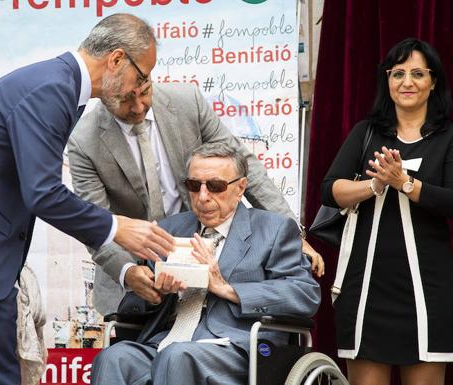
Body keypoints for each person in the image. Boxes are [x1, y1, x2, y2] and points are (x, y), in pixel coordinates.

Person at [0, 14, 175, 385]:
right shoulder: (51, 89)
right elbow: (42, 193)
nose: (138, 90)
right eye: (141, 76)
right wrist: (114, 227)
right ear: (117, 59)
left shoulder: (59, 86)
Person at [67, 82, 325, 315]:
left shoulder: (187, 102)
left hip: (207, 271)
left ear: (147, 74)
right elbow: (95, 223)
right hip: (136, 275)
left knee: (184, 353)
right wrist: (129, 272)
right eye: (125, 99)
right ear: (104, 92)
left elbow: (245, 167)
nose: (138, 106)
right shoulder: (83, 140)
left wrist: (295, 237)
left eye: (144, 93)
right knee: (122, 358)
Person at [92, 142, 321, 384]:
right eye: (194, 185)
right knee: (113, 358)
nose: (203, 197)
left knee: (177, 356)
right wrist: (153, 291)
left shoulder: (273, 229)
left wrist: (226, 288)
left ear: (241, 187)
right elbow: (133, 303)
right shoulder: (170, 229)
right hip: (166, 339)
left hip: (235, 346)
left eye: (215, 186)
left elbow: (304, 294)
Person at [321, 38, 453, 385]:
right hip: (366, 290)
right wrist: (374, 186)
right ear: (387, 80)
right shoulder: (367, 132)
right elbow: (329, 190)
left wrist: (405, 183)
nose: (407, 82)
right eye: (398, 73)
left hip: (428, 291)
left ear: (433, 82)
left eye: (418, 73)